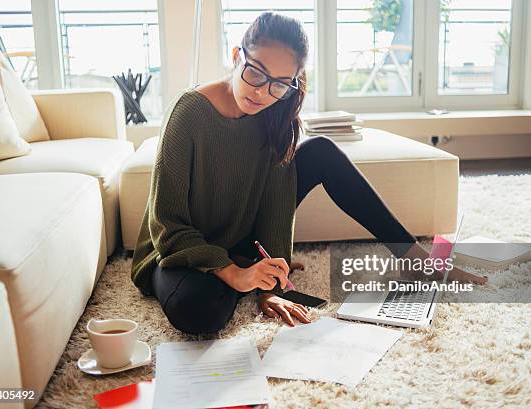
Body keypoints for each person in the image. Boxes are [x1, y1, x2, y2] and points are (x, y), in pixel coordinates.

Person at [130, 12, 487, 335]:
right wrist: (234, 272)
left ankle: (416, 260)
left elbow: (275, 205)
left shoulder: (275, 114)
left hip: (240, 236)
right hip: (180, 250)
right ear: (237, 56)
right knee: (198, 314)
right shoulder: (189, 113)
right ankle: (242, 272)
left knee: (320, 152)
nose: (261, 92)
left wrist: (271, 284)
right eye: (255, 72)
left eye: (279, 84)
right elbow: (168, 223)